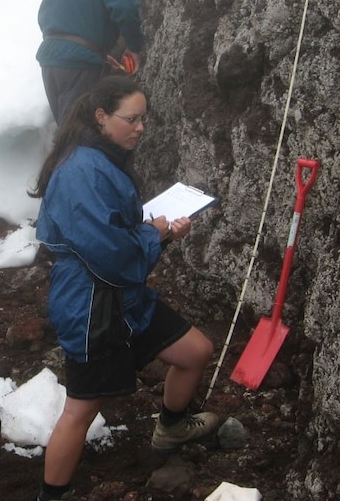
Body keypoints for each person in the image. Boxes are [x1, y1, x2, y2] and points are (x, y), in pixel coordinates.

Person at [30, 76, 218, 501]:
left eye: (143, 119)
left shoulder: (102, 157)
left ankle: (170, 428)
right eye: (130, 119)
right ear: (100, 117)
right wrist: (156, 235)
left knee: (196, 352)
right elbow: (110, 253)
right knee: (81, 410)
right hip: (93, 307)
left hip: (124, 297)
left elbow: (116, 240)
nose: (140, 128)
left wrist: (160, 233)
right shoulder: (82, 171)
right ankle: (50, 496)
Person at [36, 0, 144, 126]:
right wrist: (134, 47)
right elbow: (125, 8)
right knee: (78, 134)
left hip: (49, 62)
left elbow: (45, 17)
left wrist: (97, 52)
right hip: (78, 64)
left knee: (67, 129)